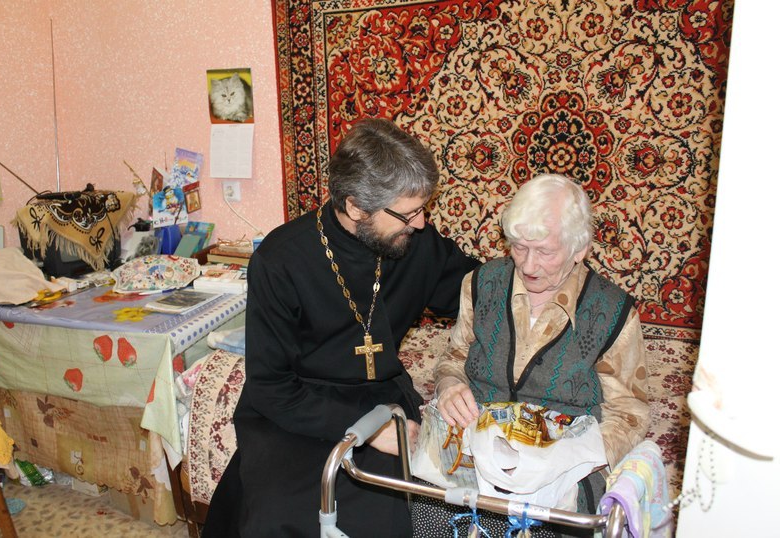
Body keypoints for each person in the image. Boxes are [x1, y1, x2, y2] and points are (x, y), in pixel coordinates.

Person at [202, 118, 478, 537]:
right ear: (355, 208)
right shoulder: (280, 260)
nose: (421, 223)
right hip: (297, 406)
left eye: (422, 209)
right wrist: (366, 429)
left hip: (382, 399)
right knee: (278, 516)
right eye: (408, 213)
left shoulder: (415, 242)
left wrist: (541, 264)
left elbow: (481, 290)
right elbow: (271, 387)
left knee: (390, 516)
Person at [416, 173, 650, 537]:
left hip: (562, 465)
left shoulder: (613, 312)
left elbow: (630, 413)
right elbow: (455, 358)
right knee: (429, 513)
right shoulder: (480, 284)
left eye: (544, 252)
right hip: (477, 446)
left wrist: (574, 461)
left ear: (579, 249)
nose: (527, 265)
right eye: (518, 247)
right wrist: (449, 385)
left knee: (541, 528)